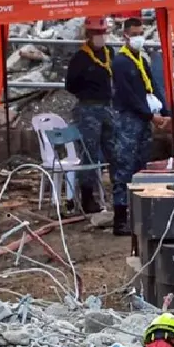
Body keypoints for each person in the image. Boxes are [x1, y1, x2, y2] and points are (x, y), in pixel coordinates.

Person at [109, 17, 169, 235]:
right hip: (128, 120)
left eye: (141, 33)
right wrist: (149, 116)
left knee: (140, 166)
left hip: (144, 120)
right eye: (134, 33)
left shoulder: (141, 60)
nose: (139, 37)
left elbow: (153, 86)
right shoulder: (120, 63)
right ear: (125, 35)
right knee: (124, 167)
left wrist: (166, 112)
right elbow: (128, 95)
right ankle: (120, 218)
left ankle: (137, 214)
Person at [64, 16, 115, 215]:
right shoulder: (80, 59)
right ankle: (87, 197)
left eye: (102, 33)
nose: (100, 37)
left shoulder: (109, 53)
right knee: (90, 154)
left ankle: (118, 193)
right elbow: (70, 86)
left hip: (107, 106)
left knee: (114, 151)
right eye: (96, 33)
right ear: (88, 34)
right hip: (88, 109)